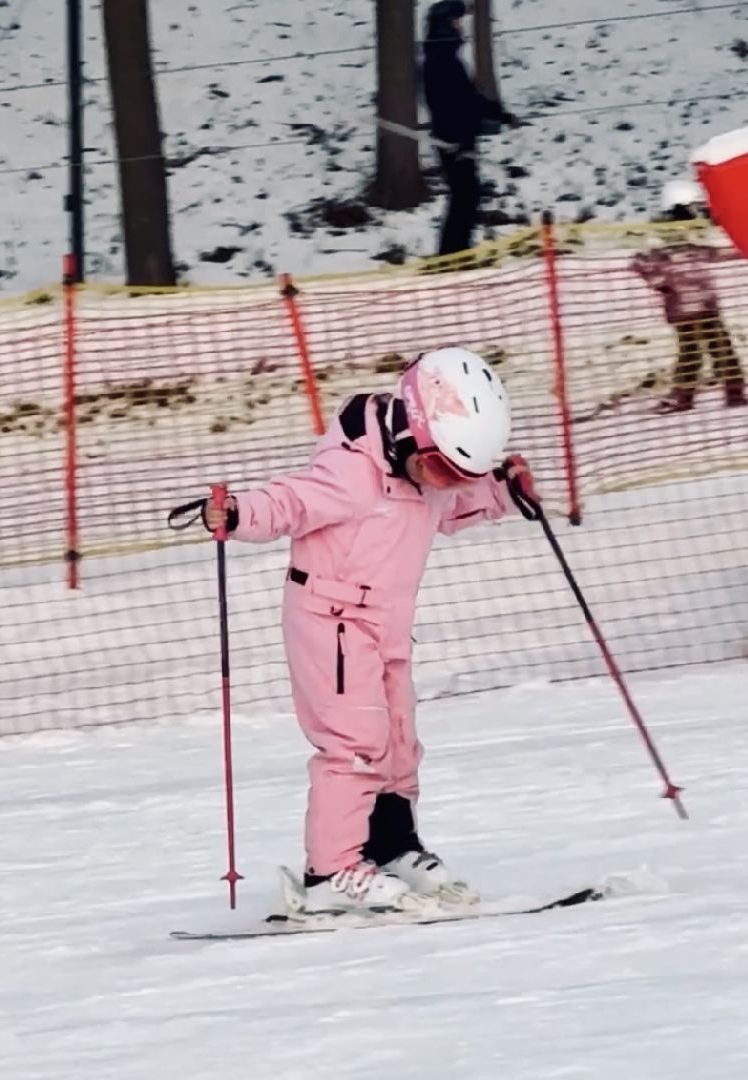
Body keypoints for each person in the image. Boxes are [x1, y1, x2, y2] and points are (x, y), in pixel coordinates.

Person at [202, 348, 538, 916]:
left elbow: (444, 509)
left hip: (388, 623)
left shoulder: (422, 472)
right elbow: (291, 502)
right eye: (439, 470)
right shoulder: (350, 471)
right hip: (332, 622)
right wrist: (237, 513)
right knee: (355, 743)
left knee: (399, 742)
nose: (440, 484)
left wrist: (501, 494)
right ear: (408, 430)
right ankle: (329, 871)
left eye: (455, 477)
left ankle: (391, 847)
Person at [630, 178, 748, 412]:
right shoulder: (662, 242)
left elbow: (715, 253)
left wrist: (747, 248)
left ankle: (731, 393)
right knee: (695, 353)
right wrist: (662, 284)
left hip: (704, 304)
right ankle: (686, 397)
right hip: (683, 308)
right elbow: (639, 263)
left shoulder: (691, 240)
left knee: (719, 349)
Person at [422, 0, 523, 257]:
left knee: (466, 196)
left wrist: (498, 114)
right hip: (453, 142)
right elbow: (456, 103)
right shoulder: (442, 61)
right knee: (465, 197)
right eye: (456, 21)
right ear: (445, 25)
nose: (460, 26)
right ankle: (453, 255)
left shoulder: (445, 58)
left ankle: (456, 253)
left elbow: (467, 99)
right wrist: (460, 137)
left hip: (458, 139)